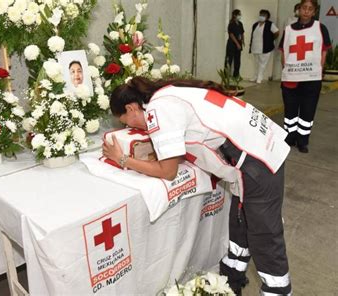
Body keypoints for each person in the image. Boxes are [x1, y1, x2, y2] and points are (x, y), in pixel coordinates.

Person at [103, 76, 292, 295]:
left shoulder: (158, 108)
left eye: (126, 121)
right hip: (258, 150)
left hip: (257, 162)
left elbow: (168, 171)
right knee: (240, 225)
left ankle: (277, 290)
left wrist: (123, 160)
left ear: (131, 107)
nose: (129, 126)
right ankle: (232, 282)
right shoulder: (168, 92)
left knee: (264, 237)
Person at [279, 0, 332, 153]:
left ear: (314, 11)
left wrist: (318, 71)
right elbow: (284, 52)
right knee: (290, 112)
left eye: (310, 9)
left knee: (307, 112)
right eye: (304, 8)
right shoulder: (288, 29)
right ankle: (289, 137)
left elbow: (324, 51)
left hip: (311, 79)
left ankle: (302, 141)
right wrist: (287, 70)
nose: (306, 11)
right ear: (299, 9)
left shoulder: (320, 28)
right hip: (291, 79)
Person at [249, 9, 279, 83]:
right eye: (261, 14)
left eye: (264, 15)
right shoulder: (255, 24)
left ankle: (260, 77)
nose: (262, 16)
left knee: (262, 64)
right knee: (256, 63)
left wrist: (271, 39)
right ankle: (255, 76)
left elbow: (277, 32)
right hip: (255, 47)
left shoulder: (270, 24)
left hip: (265, 47)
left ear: (267, 17)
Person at [225, 9, 244, 78]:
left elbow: (242, 33)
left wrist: (242, 41)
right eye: (239, 14)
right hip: (232, 44)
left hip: (239, 43)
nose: (240, 16)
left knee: (237, 60)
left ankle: (236, 75)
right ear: (234, 15)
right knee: (229, 60)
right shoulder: (231, 24)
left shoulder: (240, 23)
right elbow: (231, 35)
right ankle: (226, 76)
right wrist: (237, 44)